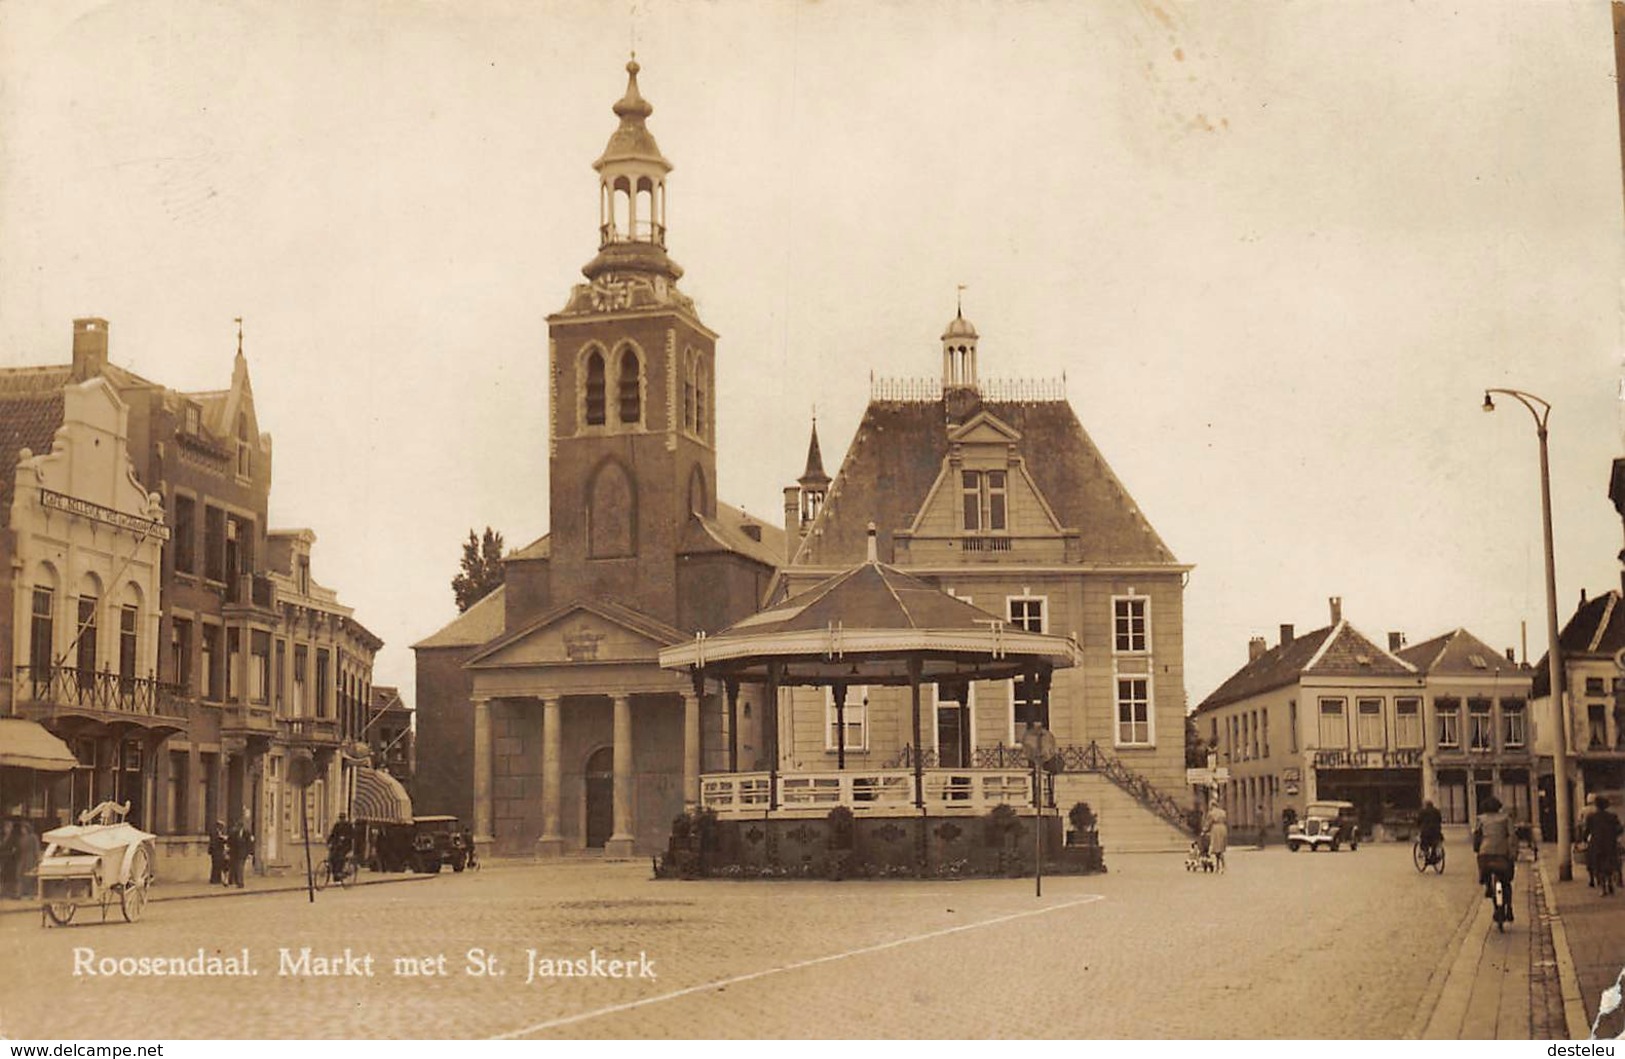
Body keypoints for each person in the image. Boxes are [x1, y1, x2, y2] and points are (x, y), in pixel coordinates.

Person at [1473, 796, 1515, 921]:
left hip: (1485, 853)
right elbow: (1512, 836)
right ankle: (1509, 907)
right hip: (1502, 853)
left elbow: (1477, 836)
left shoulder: (1480, 819)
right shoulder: (1506, 818)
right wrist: (1513, 852)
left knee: (1484, 867)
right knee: (1506, 881)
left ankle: (1486, 884)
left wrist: (1477, 849)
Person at [1589, 796, 1621, 897]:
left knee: (1599, 866)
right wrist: (1614, 835)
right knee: (1609, 864)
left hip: (1597, 844)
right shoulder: (1612, 816)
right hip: (1610, 844)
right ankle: (1610, 883)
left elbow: (1587, 830)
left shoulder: (1591, 817)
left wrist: (1582, 839)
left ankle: (1603, 888)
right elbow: (1619, 828)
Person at [227, 814, 253, 889]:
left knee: (240, 868)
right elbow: (230, 841)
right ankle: (232, 881)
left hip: (242, 854)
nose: (238, 828)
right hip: (234, 853)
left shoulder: (246, 833)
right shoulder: (233, 833)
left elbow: (249, 843)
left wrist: (249, 853)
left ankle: (240, 883)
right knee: (234, 867)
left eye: (239, 827)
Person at [326, 812, 355, 880]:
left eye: (343, 818)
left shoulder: (349, 825)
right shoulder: (337, 825)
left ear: (345, 818)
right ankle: (334, 872)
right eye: (340, 818)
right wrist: (328, 841)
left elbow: (352, 835)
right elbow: (333, 834)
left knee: (340, 857)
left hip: (346, 845)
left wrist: (345, 837)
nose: (341, 820)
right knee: (332, 856)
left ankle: (340, 872)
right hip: (337, 845)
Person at [15, 821, 39, 900]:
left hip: (30, 858)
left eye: (24, 828)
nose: (22, 830)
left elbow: (36, 848)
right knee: (20, 875)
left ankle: (31, 893)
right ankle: (20, 893)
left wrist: (36, 859)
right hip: (23, 858)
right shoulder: (21, 838)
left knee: (29, 876)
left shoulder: (33, 837)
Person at [1206, 805, 1229, 873]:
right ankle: (1219, 866)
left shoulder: (1211, 813)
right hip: (1223, 828)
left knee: (1217, 849)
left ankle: (1222, 865)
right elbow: (1226, 820)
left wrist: (1205, 830)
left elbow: (1208, 823)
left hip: (1216, 830)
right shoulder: (1223, 812)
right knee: (1220, 848)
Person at [0, 821, 18, 900]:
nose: (6, 829)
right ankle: (2, 892)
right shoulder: (2, 836)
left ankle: (11, 893)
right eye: (5, 827)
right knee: (2, 876)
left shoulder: (14, 838)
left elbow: (15, 850)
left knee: (10, 876)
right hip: (2, 859)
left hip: (10, 860)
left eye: (8, 827)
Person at [207, 820, 228, 886]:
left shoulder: (218, 832)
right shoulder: (214, 832)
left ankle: (217, 879)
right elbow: (215, 841)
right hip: (216, 851)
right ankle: (214, 879)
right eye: (221, 826)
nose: (222, 828)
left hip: (218, 850)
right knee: (216, 864)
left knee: (218, 864)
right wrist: (222, 839)